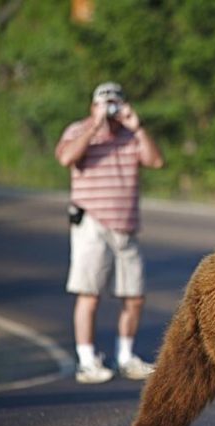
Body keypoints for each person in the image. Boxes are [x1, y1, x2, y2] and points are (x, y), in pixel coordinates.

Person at [55, 82, 164, 383]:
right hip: (92, 223)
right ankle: (87, 361)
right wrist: (94, 127)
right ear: (93, 106)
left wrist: (138, 127)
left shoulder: (130, 134)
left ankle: (126, 356)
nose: (111, 109)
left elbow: (156, 161)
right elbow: (66, 159)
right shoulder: (78, 130)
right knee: (89, 294)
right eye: (105, 103)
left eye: (116, 103)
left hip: (126, 226)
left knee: (135, 296)